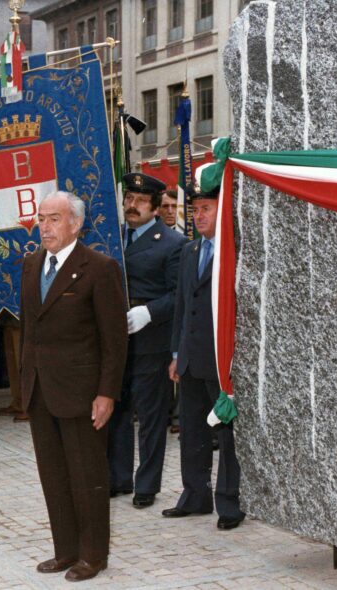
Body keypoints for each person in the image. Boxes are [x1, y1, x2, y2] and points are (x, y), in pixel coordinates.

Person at [19, 191, 127, 582]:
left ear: (76, 224)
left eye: (53, 219)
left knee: (87, 476)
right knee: (54, 475)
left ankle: (93, 555)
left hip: (82, 391)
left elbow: (114, 340)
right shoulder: (31, 265)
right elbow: (30, 330)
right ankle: (65, 550)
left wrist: (107, 393)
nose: (44, 227)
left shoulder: (99, 268)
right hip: (40, 389)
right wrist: (24, 382)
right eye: (41, 219)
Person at [163, 184, 245, 530]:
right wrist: (176, 353)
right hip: (192, 357)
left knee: (225, 432)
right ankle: (195, 495)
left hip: (221, 358)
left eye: (206, 209)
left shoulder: (234, 250)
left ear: (222, 210)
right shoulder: (190, 249)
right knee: (192, 429)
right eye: (195, 211)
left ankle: (229, 503)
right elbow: (182, 304)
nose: (199, 216)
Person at [107, 173, 187, 509]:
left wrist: (149, 313)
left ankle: (146, 484)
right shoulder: (111, 237)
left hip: (151, 338)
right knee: (116, 408)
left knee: (151, 415)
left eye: (140, 201)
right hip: (115, 338)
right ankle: (118, 477)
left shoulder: (171, 243)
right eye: (128, 198)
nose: (131, 205)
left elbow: (178, 295)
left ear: (156, 208)